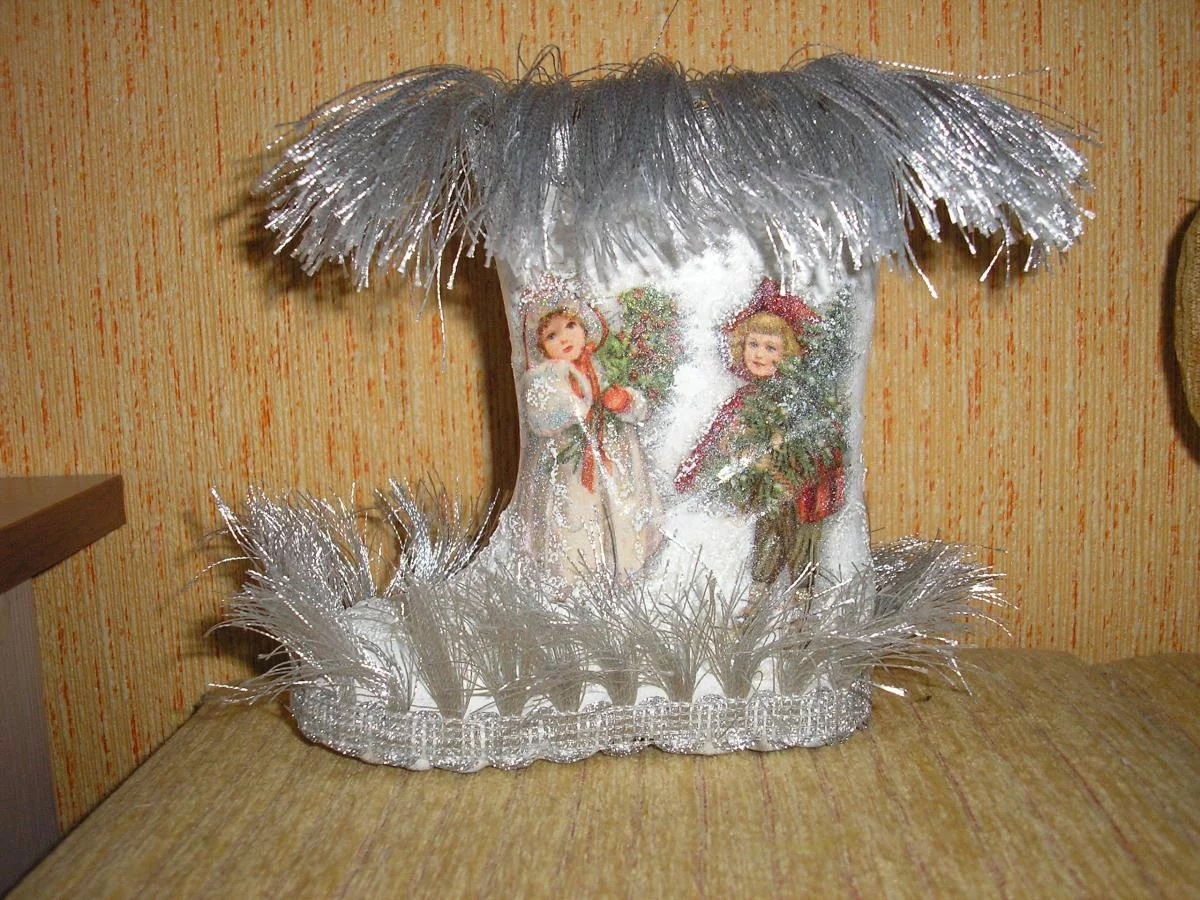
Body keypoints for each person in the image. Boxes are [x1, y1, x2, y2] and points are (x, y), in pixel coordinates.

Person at [675, 279, 845, 614]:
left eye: (770, 348)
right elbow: (718, 436)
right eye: (753, 344)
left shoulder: (798, 397)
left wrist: (783, 450)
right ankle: (757, 596)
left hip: (805, 491)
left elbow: (821, 439)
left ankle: (803, 604)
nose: (759, 354)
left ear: (787, 354)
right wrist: (718, 457)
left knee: (803, 543)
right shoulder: (745, 399)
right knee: (768, 537)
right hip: (769, 491)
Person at [517, 303, 662, 589]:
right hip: (568, 465)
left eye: (571, 326)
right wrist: (576, 408)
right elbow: (540, 415)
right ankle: (575, 576)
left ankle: (625, 569)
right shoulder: (545, 376)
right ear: (541, 346)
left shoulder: (603, 367)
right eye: (551, 335)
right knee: (574, 513)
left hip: (614, 456)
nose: (564, 338)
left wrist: (624, 401)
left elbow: (639, 406)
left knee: (620, 509)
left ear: (585, 329)